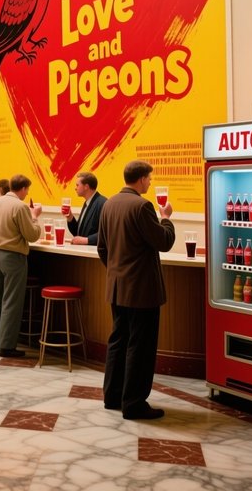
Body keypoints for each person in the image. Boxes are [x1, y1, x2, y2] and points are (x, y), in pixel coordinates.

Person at [97, 159, 175, 420]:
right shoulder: (143, 206)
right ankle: (134, 403)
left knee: (118, 340)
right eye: (149, 179)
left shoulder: (109, 203)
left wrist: (117, 272)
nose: (150, 183)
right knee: (140, 346)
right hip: (141, 289)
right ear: (141, 179)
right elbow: (163, 241)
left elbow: (102, 249)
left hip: (117, 288)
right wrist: (166, 219)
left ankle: (113, 395)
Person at [0, 174, 41, 358]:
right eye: (27, 190)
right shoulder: (20, 207)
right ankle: (6, 346)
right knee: (11, 300)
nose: (27, 193)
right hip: (13, 257)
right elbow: (32, 235)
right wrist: (35, 217)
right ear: (22, 189)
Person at [64, 171, 107, 246]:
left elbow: (107, 232)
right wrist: (69, 217)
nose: (75, 188)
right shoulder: (87, 203)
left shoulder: (103, 203)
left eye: (77, 185)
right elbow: (78, 233)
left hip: (93, 255)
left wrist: (86, 240)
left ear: (86, 187)